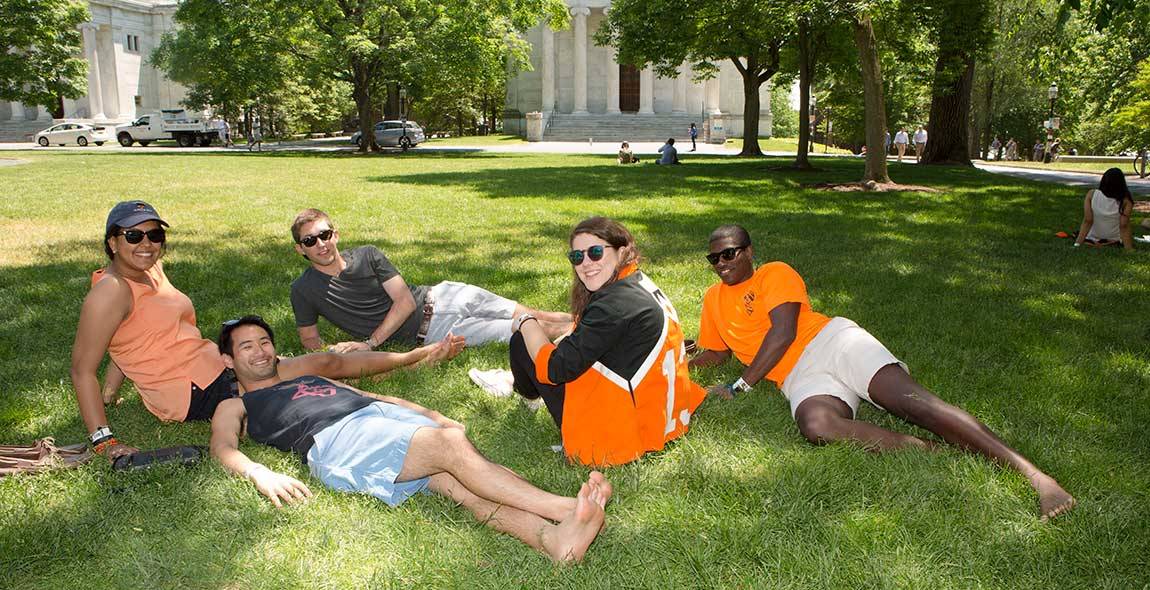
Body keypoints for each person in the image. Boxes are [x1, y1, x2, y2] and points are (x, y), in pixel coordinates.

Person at [689, 224, 1076, 521]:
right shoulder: (712, 299)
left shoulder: (774, 273)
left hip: (832, 342)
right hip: (798, 378)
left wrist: (739, 387)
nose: (722, 265)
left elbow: (783, 333)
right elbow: (716, 353)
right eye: (714, 259)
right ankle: (933, 450)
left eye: (729, 254)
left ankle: (1036, 477)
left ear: (749, 252)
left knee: (914, 403)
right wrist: (677, 361)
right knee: (817, 427)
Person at [71, 201, 464, 461]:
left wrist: (111, 391)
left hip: (216, 363)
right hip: (191, 390)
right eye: (134, 236)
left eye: (155, 235)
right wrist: (104, 439)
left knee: (324, 362)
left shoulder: (149, 269)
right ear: (112, 242)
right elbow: (82, 368)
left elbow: (127, 342)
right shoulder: (110, 291)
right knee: (318, 379)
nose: (147, 244)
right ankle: (415, 361)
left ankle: (411, 359)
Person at [209, 316, 610, 563]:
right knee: (451, 451)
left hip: (379, 419)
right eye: (247, 347)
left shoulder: (307, 376)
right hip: (338, 440)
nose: (260, 352)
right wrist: (261, 474)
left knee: (461, 484)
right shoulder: (236, 405)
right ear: (228, 360)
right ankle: (566, 509)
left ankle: (555, 541)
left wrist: (432, 415)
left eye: (264, 342)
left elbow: (371, 396)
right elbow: (223, 448)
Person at [503, 217, 705, 466]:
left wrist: (526, 321)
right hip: (663, 415)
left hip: (620, 433)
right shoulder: (635, 282)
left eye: (595, 252)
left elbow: (554, 368)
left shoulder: (613, 305)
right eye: (577, 257)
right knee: (550, 341)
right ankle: (527, 394)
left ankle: (528, 397)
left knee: (521, 343)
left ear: (621, 251)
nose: (586, 263)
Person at [289, 208, 572, 353]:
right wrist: (337, 355)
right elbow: (309, 339)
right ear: (300, 249)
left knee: (536, 314)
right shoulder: (303, 290)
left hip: (445, 295)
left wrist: (370, 344)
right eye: (310, 240)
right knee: (529, 329)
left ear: (335, 234)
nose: (321, 244)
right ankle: (595, 332)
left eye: (325, 235)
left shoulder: (367, 255)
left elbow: (405, 301)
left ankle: (593, 320)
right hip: (437, 331)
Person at [1074, 167, 1135, 251]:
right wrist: (1129, 249)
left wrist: (1077, 244)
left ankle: (1092, 243)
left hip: (1092, 238)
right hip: (1114, 240)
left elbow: (1087, 220)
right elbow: (1123, 225)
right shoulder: (1126, 201)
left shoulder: (1091, 194)